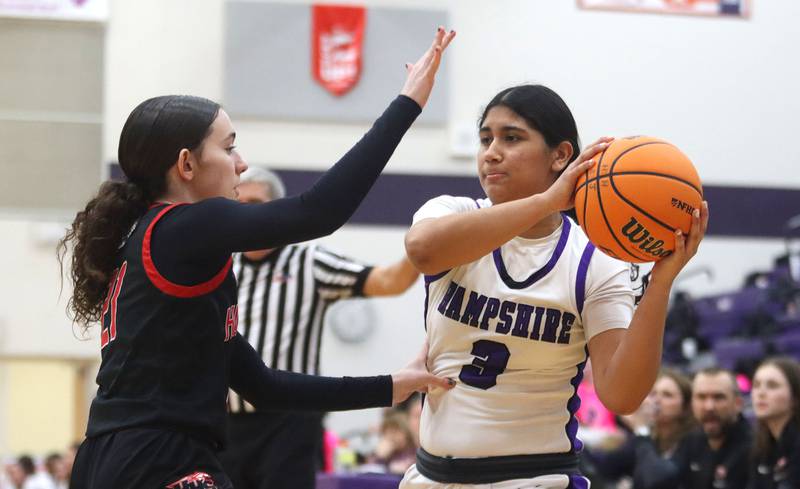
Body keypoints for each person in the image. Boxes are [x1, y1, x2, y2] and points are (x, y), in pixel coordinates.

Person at [58, 28, 456, 489]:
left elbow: (262, 386)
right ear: (186, 166)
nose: (242, 163)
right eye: (228, 148)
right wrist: (407, 105)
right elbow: (320, 211)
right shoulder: (184, 226)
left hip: (115, 459)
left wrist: (392, 384)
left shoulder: (162, 242)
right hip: (158, 459)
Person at [401, 84, 709, 488]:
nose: (491, 151)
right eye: (484, 139)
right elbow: (422, 250)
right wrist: (548, 201)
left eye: (511, 138)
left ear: (561, 155)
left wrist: (661, 282)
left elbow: (622, 395)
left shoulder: (594, 258)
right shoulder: (451, 211)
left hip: (535, 478)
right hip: (432, 477)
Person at [220, 166, 421, 489]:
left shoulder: (309, 261)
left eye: (257, 204)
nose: (249, 216)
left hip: (288, 424)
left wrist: (425, 245)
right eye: (240, 205)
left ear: (277, 209)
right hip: (223, 423)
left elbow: (389, 281)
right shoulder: (220, 264)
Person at [584, 368, 696, 488]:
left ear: (685, 406)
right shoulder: (646, 437)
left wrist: (641, 429)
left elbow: (657, 478)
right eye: (653, 394)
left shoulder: (692, 440)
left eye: (667, 395)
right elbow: (605, 469)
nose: (656, 401)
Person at [750, 357, 800, 489]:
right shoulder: (762, 445)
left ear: (794, 397)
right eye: (756, 385)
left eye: (772, 386)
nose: (760, 393)